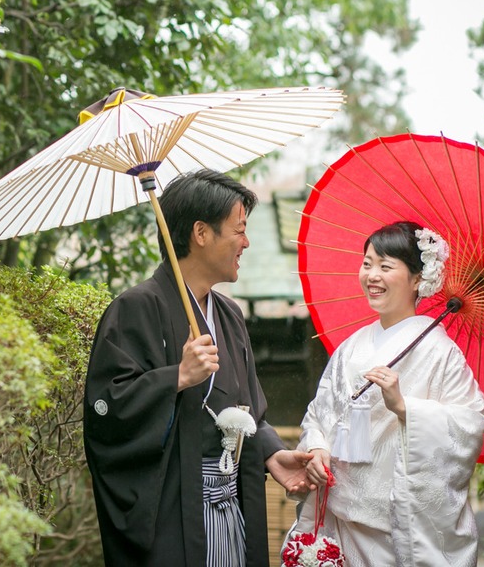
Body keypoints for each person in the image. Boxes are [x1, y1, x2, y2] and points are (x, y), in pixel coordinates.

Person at [83, 169, 313, 567]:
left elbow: (248, 411)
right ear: (201, 234)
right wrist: (176, 377)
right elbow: (106, 408)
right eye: (238, 230)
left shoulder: (228, 314)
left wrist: (273, 454)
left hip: (230, 507)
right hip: (174, 511)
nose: (246, 242)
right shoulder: (136, 308)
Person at [291, 221, 484, 567]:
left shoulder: (440, 353)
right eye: (367, 263)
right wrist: (317, 447)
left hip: (396, 528)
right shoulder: (351, 347)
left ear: (418, 279)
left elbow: (472, 423)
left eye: (385, 266)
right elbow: (319, 415)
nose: (372, 275)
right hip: (340, 517)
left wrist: (405, 408)